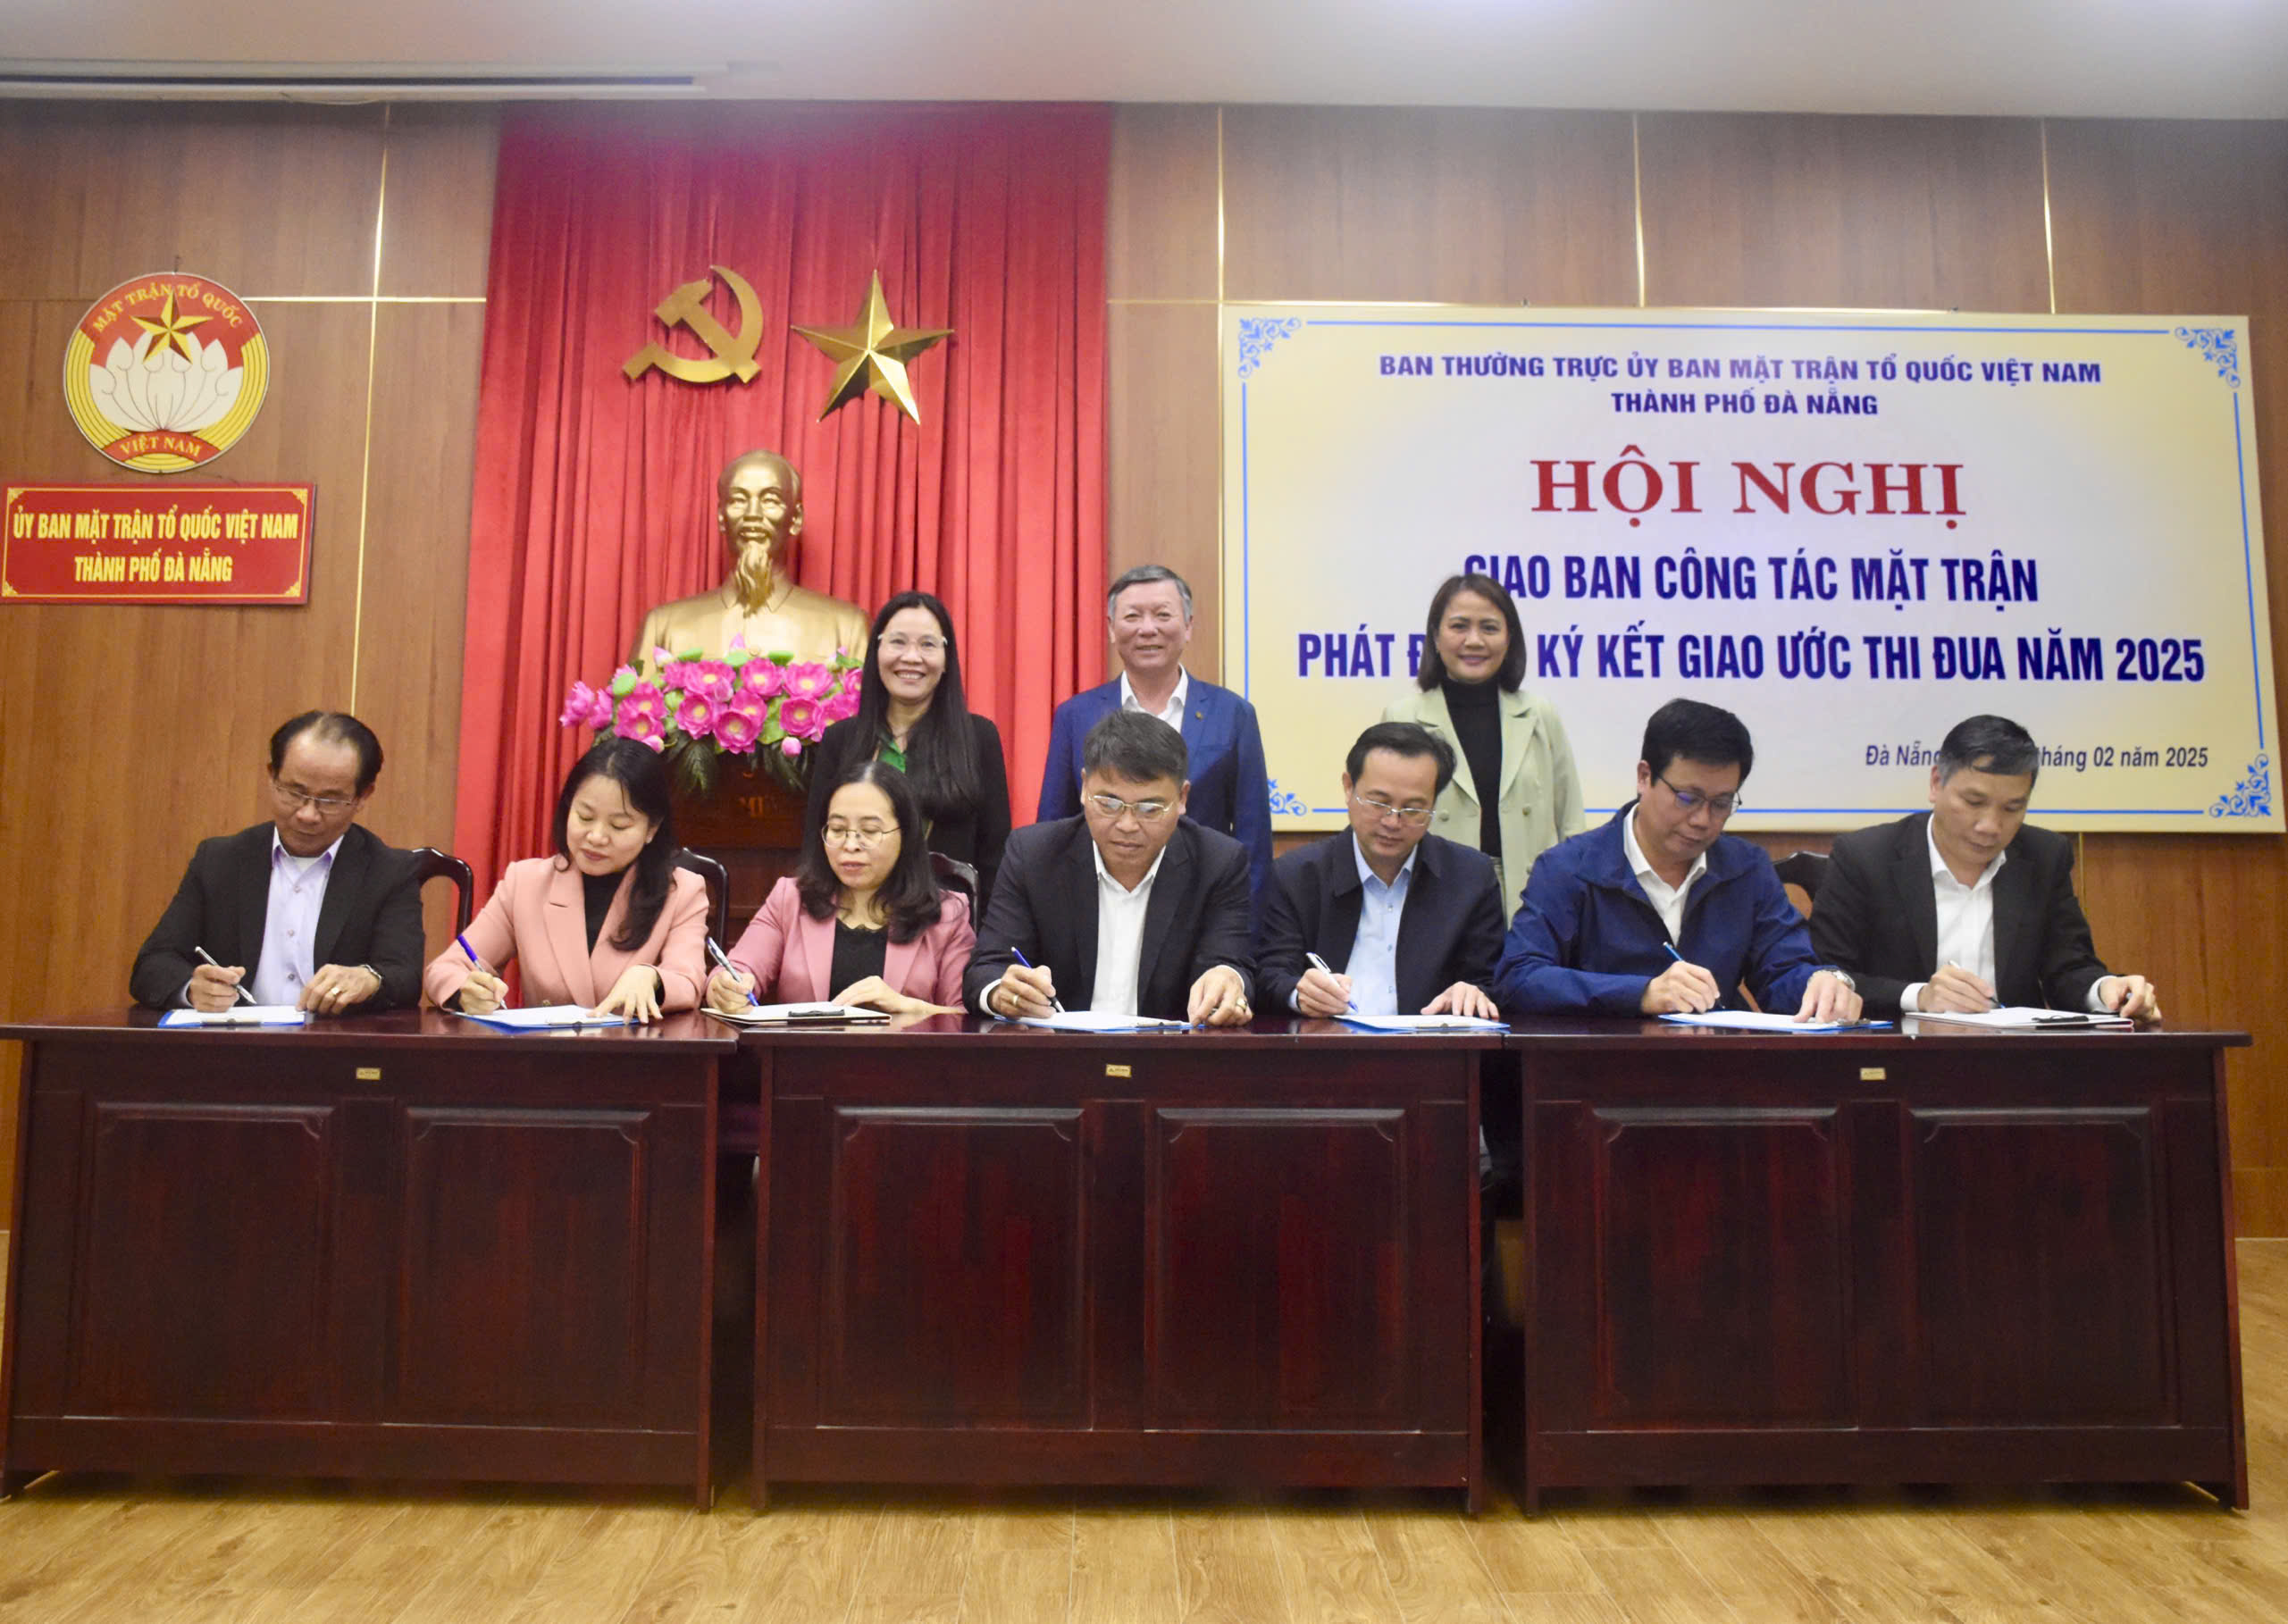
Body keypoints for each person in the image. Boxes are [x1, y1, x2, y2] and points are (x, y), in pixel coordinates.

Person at [1495, 699, 1862, 1022]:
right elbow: (1519, 978)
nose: (1702, 819)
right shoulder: (1568, 868)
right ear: (1644, 777)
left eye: (1721, 803)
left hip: (1718, 1063)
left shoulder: (1746, 868)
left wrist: (1822, 984)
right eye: (1688, 798)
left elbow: (1783, 971)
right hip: (1600, 1066)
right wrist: (1641, 994)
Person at [1810, 714, 2161, 1021]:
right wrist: (1919, 996)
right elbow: (1830, 975)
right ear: (1936, 783)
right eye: (1974, 802)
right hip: (1899, 1055)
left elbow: (2068, 967)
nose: (1990, 826)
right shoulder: (1866, 857)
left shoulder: (2044, 856)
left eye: (2012, 808)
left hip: (2012, 1057)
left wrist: (2106, 990)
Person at [970, 710, 1254, 1025]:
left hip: (1169, 1049)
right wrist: (1002, 992)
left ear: (1182, 797)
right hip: (1059, 1049)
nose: (1127, 825)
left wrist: (1227, 979)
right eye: (1109, 804)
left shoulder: (1218, 863)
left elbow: (1229, 962)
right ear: (1084, 788)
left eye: (1150, 808)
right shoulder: (1034, 855)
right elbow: (988, 968)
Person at [131, 710, 423, 1015]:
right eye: (294, 793)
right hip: (235, 1039)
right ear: (272, 776)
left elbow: (405, 977)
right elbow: (153, 964)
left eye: (330, 800)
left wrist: (369, 979)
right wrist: (192, 989)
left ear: (363, 796)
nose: (307, 814)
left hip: (333, 1039)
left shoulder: (389, 871)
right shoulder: (220, 860)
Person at [1036, 564, 1274, 905]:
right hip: (1099, 903)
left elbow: (1254, 839)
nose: (1148, 629)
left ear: (1188, 626)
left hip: (1203, 906)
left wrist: (1243, 928)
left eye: (1163, 615)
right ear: (1111, 628)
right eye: (1132, 616)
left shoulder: (1233, 714)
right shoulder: (1075, 716)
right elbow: (1052, 830)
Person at [423, 738, 708, 1022]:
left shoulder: (682, 891)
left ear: (652, 829)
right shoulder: (525, 883)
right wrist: (466, 990)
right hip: (547, 1048)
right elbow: (445, 969)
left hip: (635, 1049)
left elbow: (689, 981)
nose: (596, 837)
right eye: (585, 817)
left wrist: (653, 978)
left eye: (619, 825)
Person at [1258, 723, 1504, 1020]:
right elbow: (1270, 973)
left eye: (1413, 809)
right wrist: (1299, 994)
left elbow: (1493, 978)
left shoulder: (1471, 877)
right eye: (1378, 803)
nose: (1392, 822)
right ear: (1348, 788)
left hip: (1428, 1043)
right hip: (1326, 1041)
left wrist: (1475, 990)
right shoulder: (1296, 875)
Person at [1383, 572, 1583, 921]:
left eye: (1489, 628)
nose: (1474, 641)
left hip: (1534, 897)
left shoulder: (1539, 714)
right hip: (1436, 898)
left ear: (1509, 639)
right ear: (1435, 636)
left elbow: (1571, 822)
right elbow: (1386, 819)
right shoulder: (1403, 716)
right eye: (1459, 626)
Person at [710, 760, 974, 1017]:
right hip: (805, 1048)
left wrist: (910, 1007)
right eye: (837, 829)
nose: (850, 845)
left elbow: (967, 1016)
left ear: (905, 836)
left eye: (869, 831)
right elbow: (735, 970)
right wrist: (725, 988)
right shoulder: (790, 899)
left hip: (903, 1048)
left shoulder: (947, 913)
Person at [803, 590, 1010, 912]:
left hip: (948, 924)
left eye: (927, 645)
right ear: (876, 652)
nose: (912, 657)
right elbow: (815, 847)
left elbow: (995, 858)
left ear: (946, 659)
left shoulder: (978, 738)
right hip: (852, 918)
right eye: (898, 642)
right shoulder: (840, 740)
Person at [629, 448, 869, 671]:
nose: (753, 514)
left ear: (796, 518)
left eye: (771, 500)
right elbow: (634, 702)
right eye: (738, 500)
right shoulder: (663, 627)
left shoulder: (846, 628)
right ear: (721, 517)